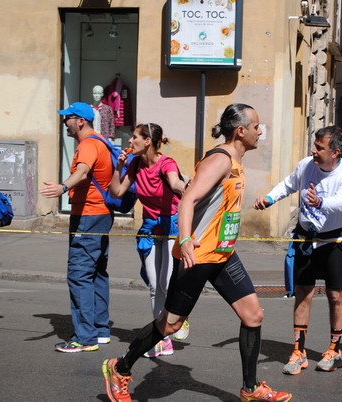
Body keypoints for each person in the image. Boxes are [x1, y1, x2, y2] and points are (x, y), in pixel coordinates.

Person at [101, 103, 291, 402]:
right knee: (171, 324)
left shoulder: (236, 160)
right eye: (256, 126)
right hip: (198, 255)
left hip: (223, 254)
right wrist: (186, 238)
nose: (260, 131)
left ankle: (251, 389)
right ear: (240, 131)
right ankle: (121, 368)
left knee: (253, 316)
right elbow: (187, 198)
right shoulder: (220, 160)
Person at [253, 126, 342, 374]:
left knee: (336, 297)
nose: (313, 151)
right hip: (305, 238)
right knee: (303, 293)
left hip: (334, 241)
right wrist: (269, 199)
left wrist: (320, 201)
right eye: (314, 145)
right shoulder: (306, 165)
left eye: (319, 148)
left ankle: (334, 349)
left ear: (335, 152)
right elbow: (289, 184)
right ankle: (298, 351)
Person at [109, 122, 190, 358]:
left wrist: (186, 189)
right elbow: (117, 192)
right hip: (150, 228)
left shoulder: (166, 164)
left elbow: (174, 182)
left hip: (172, 226)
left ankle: (179, 317)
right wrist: (119, 167)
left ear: (147, 142)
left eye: (134, 137)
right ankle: (163, 340)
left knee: (166, 283)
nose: (129, 141)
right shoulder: (134, 164)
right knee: (155, 286)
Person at [41, 102, 113, 352]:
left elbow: (82, 172)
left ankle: (85, 337)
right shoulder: (100, 141)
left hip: (88, 216)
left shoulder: (89, 144)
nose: (65, 123)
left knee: (79, 274)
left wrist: (62, 187)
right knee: (97, 273)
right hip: (101, 215)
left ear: (80, 121)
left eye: (68, 118)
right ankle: (100, 330)